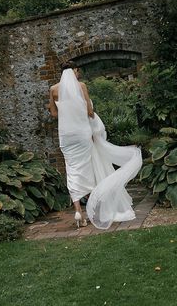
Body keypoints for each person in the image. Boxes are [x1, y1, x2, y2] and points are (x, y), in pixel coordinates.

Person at [49, 61, 142, 229]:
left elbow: (54, 114)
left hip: (66, 137)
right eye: (78, 71)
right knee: (92, 166)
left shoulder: (53, 90)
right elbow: (89, 112)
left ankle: (78, 212)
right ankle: (97, 206)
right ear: (75, 70)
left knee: (72, 170)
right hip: (82, 135)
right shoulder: (81, 86)